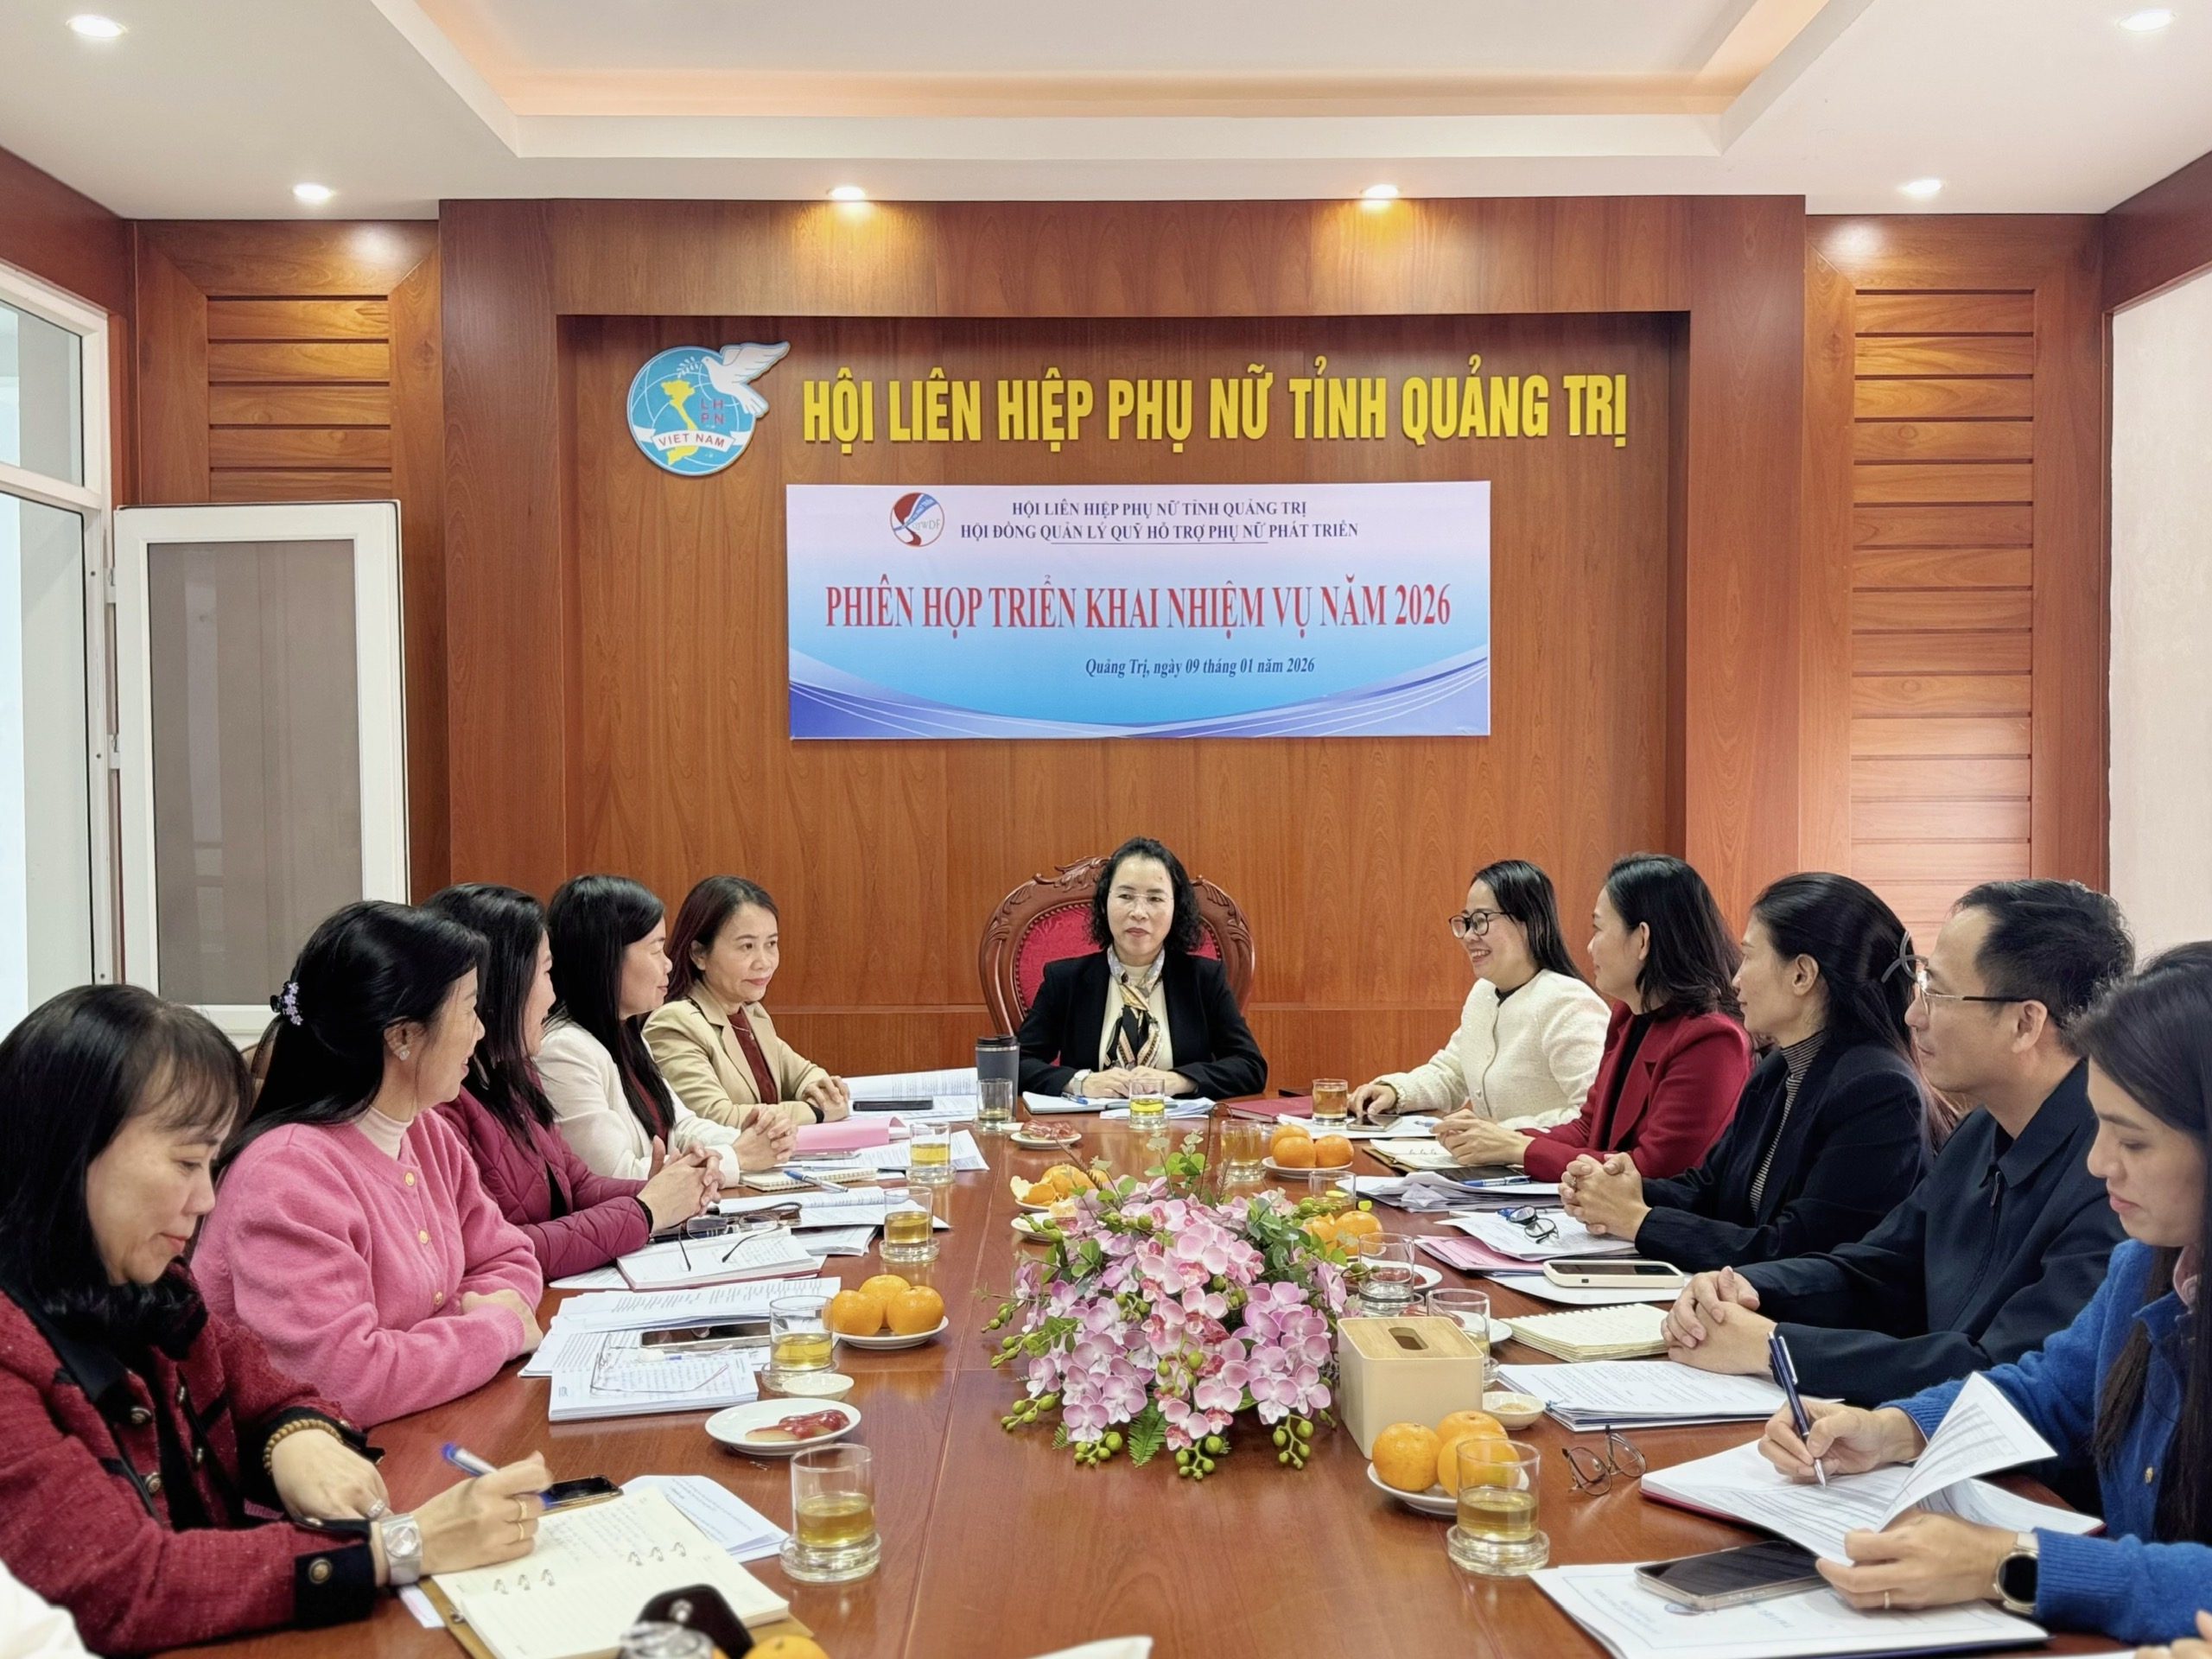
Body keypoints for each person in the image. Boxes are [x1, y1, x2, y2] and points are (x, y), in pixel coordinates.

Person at [0, 985, 550, 1654]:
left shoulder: (148, 1290)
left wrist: (295, 1437)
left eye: (209, 1164)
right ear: (67, 1150)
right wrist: (401, 1547)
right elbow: (125, 1584)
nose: (205, 1199)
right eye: (185, 1162)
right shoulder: (14, 1349)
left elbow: (271, 1386)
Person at [1753, 945, 2212, 1646]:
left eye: (2134, 1142)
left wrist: (2008, 1561)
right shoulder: (2146, 1265)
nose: (2099, 1163)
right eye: (2099, 1127)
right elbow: (2046, 1392)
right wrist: (1893, 1428)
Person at [1665, 878, 2134, 1403]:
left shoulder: (2114, 1173)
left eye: (1938, 993)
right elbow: (1881, 1268)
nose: (1913, 1015)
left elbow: (2006, 1371)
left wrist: (1777, 1348)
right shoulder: (1982, 1128)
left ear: (2025, 1023)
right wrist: (1748, 1286)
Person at [195, 901, 547, 1427]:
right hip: (320, 1459)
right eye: (470, 1009)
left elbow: (510, 1257)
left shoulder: (426, 1131)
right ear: (402, 1036)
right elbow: (341, 1380)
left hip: (419, 1425)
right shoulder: (287, 1174)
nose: (480, 1031)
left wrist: (425, 1342)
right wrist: (492, 1328)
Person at [1560, 873, 1928, 1270]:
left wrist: (1638, 1221)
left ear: (1801, 975)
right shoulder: (1778, 1068)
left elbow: (1798, 1250)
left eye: (1749, 956)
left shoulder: (1878, 1090)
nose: (1736, 979)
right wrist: (1625, 1190)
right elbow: (1708, 1188)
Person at [423, 884, 721, 1281]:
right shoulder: (441, 1102)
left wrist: (666, 1187)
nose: (552, 995)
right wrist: (646, 1210)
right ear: (504, 983)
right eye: (546, 972)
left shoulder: (514, 1071)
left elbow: (575, 1184)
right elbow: (498, 1247)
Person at [1436, 853, 1751, 1182]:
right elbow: (1589, 1128)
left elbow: (1652, 1170)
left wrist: (1518, 1148)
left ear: (1642, 940)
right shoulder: (1628, 1016)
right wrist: (1504, 1141)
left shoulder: (1712, 1040)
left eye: (1598, 929)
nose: (1589, 947)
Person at [538, 874, 786, 1181]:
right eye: (656, 950)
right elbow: (614, 1176)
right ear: (607, 957)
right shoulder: (565, 1051)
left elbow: (679, 1127)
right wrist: (738, 1157)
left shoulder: (627, 1033)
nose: (668, 964)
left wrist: (747, 1139)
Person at [1348, 858, 1609, 1130]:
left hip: (1545, 1158)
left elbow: (1594, 1118)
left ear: (1530, 922)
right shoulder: (1484, 993)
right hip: (1490, 1155)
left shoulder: (1569, 1003)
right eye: (1467, 922)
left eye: (1481, 920)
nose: (1469, 936)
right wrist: (1394, 1091)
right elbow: (1452, 1073)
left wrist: (1503, 1132)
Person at [1017, 836, 1267, 1100]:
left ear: (1176, 909)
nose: (1139, 912)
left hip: (1181, 1125)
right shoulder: (1065, 980)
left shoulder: (1204, 979)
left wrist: (1179, 1080)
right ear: (1103, 904)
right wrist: (1080, 1082)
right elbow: (1018, 1064)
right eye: (1126, 896)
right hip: (1088, 1124)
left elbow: (1250, 1066)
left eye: (1155, 899)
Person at [645, 875, 851, 1131]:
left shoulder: (750, 1012)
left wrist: (824, 1091)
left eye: (771, 944)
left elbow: (805, 1075)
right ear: (699, 954)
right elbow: (716, 1118)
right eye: (747, 946)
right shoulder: (674, 1022)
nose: (764, 962)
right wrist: (815, 1111)